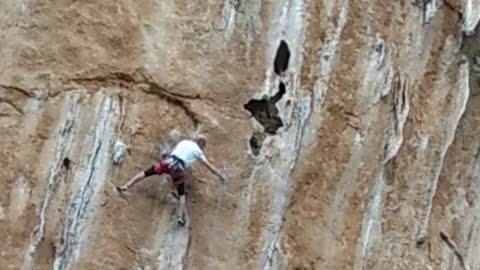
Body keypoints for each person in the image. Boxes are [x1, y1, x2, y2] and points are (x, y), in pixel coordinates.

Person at [117, 136, 226, 226]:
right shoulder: (198, 151)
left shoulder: (184, 142)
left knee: (145, 173)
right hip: (177, 169)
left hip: (167, 162)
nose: (203, 149)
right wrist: (221, 176)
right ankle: (179, 217)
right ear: (201, 144)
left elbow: (172, 151)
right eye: (204, 147)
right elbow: (209, 166)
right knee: (182, 195)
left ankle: (126, 185)